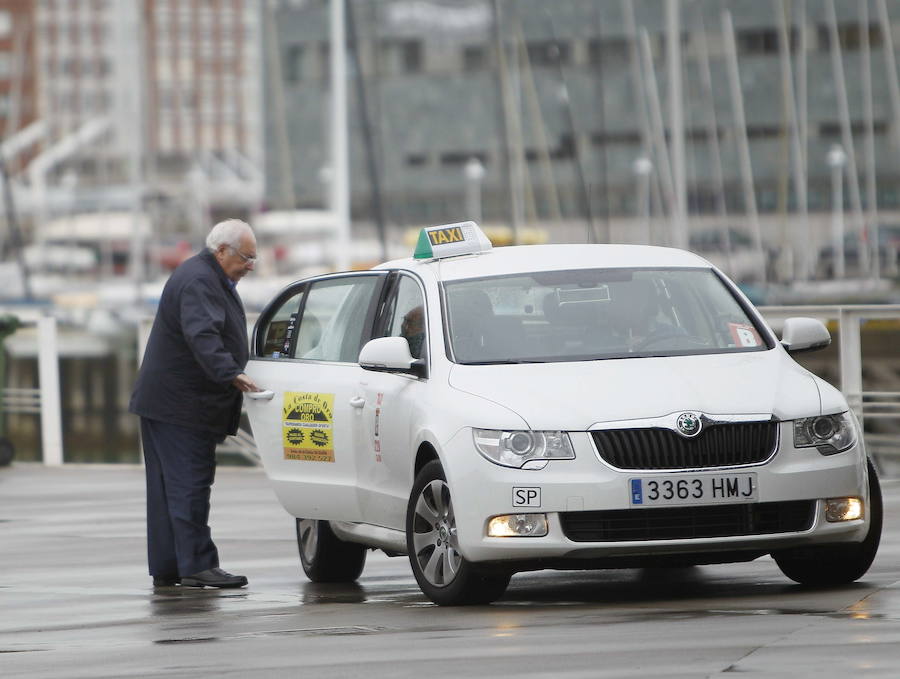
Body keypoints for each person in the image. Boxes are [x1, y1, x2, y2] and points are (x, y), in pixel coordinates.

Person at [129, 219, 262, 589]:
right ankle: (198, 565)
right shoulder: (201, 280)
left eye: (254, 259)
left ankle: (171, 565)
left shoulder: (204, 274)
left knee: (167, 488)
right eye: (246, 257)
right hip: (181, 406)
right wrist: (231, 373)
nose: (250, 265)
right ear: (221, 251)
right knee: (189, 483)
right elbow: (201, 334)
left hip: (166, 403)